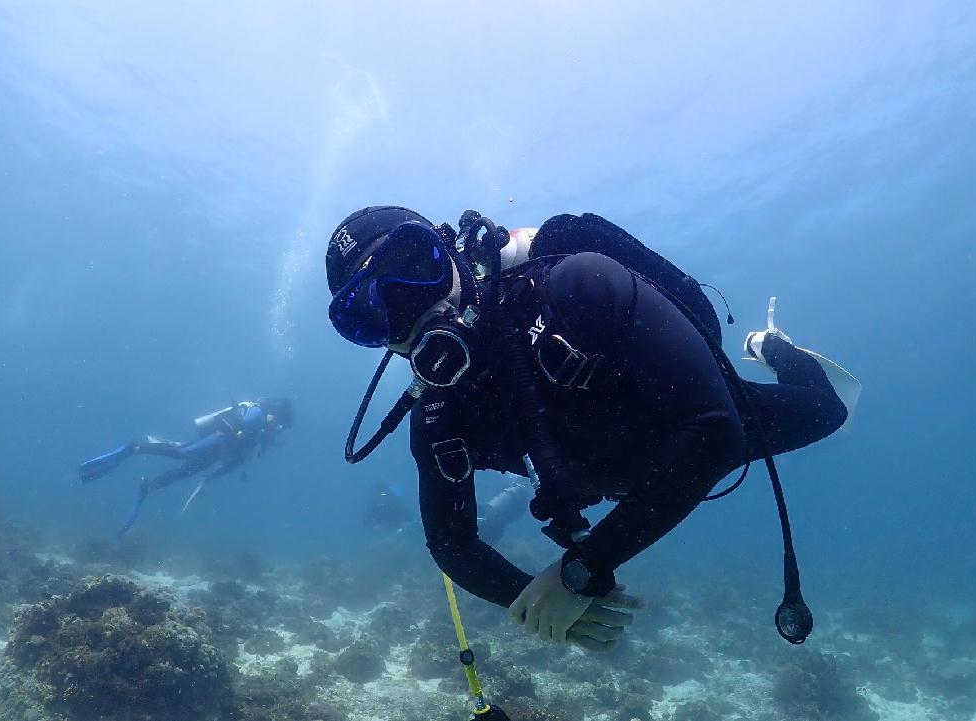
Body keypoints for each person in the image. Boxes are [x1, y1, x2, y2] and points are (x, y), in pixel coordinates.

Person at [325, 207, 854, 652]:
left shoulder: (579, 284)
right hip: (630, 468)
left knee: (827, 411)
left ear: (452, 251)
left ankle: (771, 347)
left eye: (416, 266)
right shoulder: (439, 409)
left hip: (687, 413)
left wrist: (579, 570)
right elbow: (449, 541)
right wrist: (524, 593)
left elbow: (716, 434)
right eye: (370, 314)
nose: (413, 309)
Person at [77, 397, 294, 536]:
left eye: (281, 426)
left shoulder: (262, 430)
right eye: (280, 422)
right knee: (182, 453)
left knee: (183, 473)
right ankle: (133, 448)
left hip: (217, 452)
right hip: (218, 440)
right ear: (274, 412)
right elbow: (243, 431)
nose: (279, 427)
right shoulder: (257, 415)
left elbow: (239, 459)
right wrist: (263, 433)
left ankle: (147, 487)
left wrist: (210, 478)